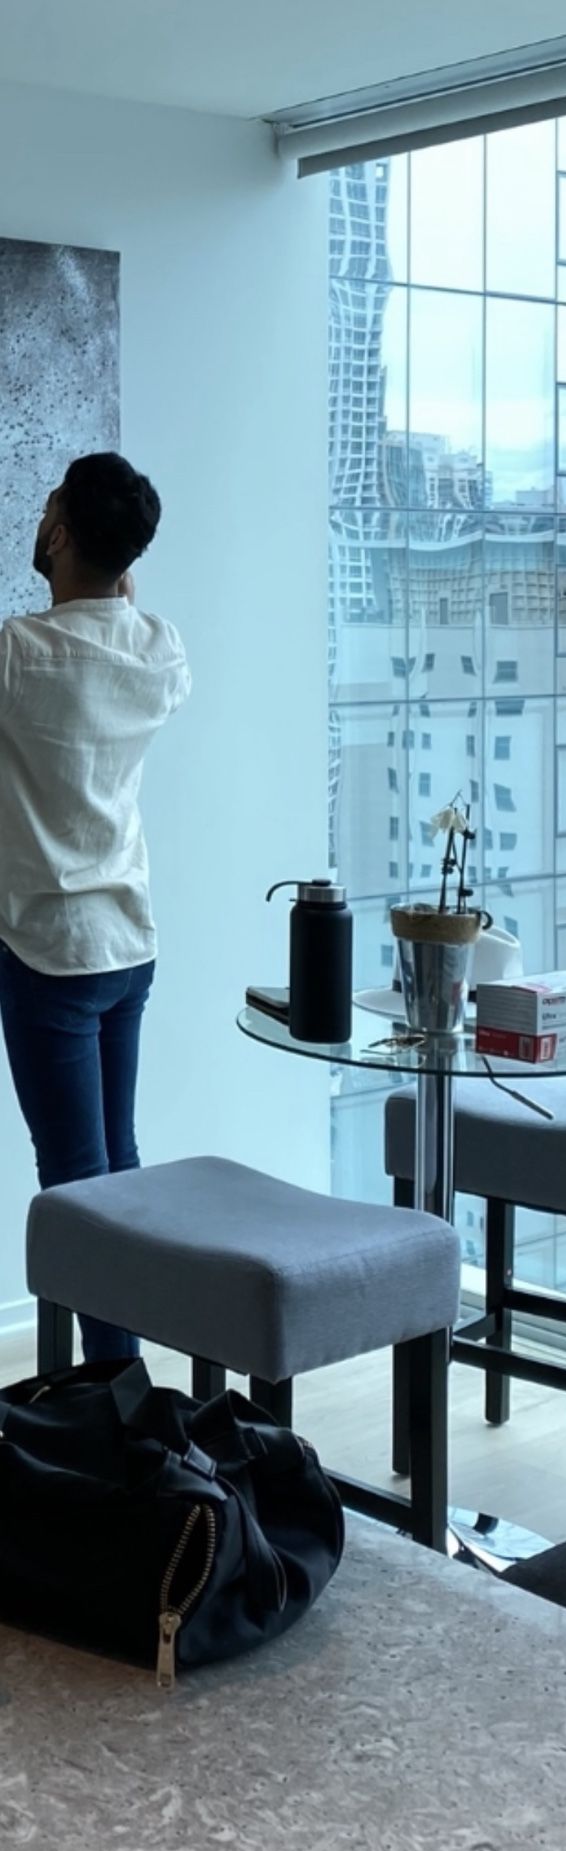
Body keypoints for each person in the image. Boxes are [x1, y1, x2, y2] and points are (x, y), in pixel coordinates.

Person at [0, 453, 190, 1361]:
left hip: (50, 953)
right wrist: (112, 584)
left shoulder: (18, 656)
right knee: (117, 1163)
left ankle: (113, 1405)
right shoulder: (159, 648)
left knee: (77, 1183)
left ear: (62, 533)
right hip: (128, 945)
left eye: (46, 512)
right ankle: (132, 1388)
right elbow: (125, 628)